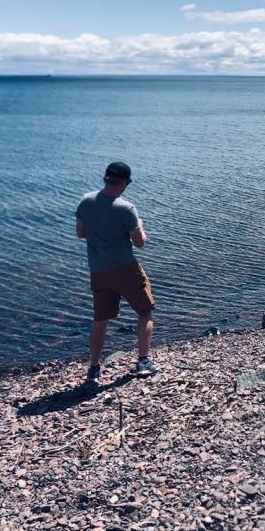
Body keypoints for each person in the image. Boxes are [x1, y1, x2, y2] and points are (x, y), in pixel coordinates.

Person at [75, 162, 160, 383]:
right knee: (145, 312)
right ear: (124, 182)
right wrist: (140, 225)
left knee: (100, 321)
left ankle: (94, 367)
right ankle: (143, 361)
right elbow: (139, 243)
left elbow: (81, 233)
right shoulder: (126, 208)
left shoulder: (85, 201)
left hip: (98, 271)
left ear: (105, 178)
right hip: (125, 269)